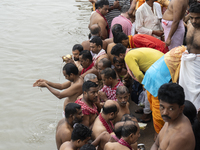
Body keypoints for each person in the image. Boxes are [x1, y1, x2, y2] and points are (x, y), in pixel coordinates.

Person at [142, 45, 186, 135]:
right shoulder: (184, 57)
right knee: (159, 111)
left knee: (156, 108)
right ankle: (160, 135)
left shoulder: (180, 50)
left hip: (151, 75)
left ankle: (158, 133)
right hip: (158, 80)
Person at [151, 83, 195, 150]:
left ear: (181, 109)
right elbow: (156, 144)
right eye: (162, 107)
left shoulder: (180, 136)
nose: (165, 112)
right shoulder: (170, 119)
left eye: (171, 109)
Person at [179, 3, 200, 111]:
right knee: (185, 93)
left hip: (198, 65)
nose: (194, 21)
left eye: (197, 18)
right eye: (191, 17)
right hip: (188, 63)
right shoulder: (190, 25)